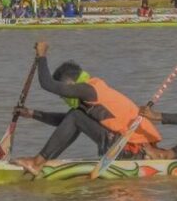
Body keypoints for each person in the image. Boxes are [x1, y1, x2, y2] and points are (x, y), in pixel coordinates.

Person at [12, 42, 162, 175]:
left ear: (70, 84)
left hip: (131, 150)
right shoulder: (92, 93)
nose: (63, 98)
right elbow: (66, 122)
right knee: (75, 115)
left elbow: (47, 84)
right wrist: (31, 113)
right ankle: (41, 161)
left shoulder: (88, 90)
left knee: (75, 116)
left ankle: (37, 163)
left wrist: (42, 55)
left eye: (63, 94)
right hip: (131, 148)